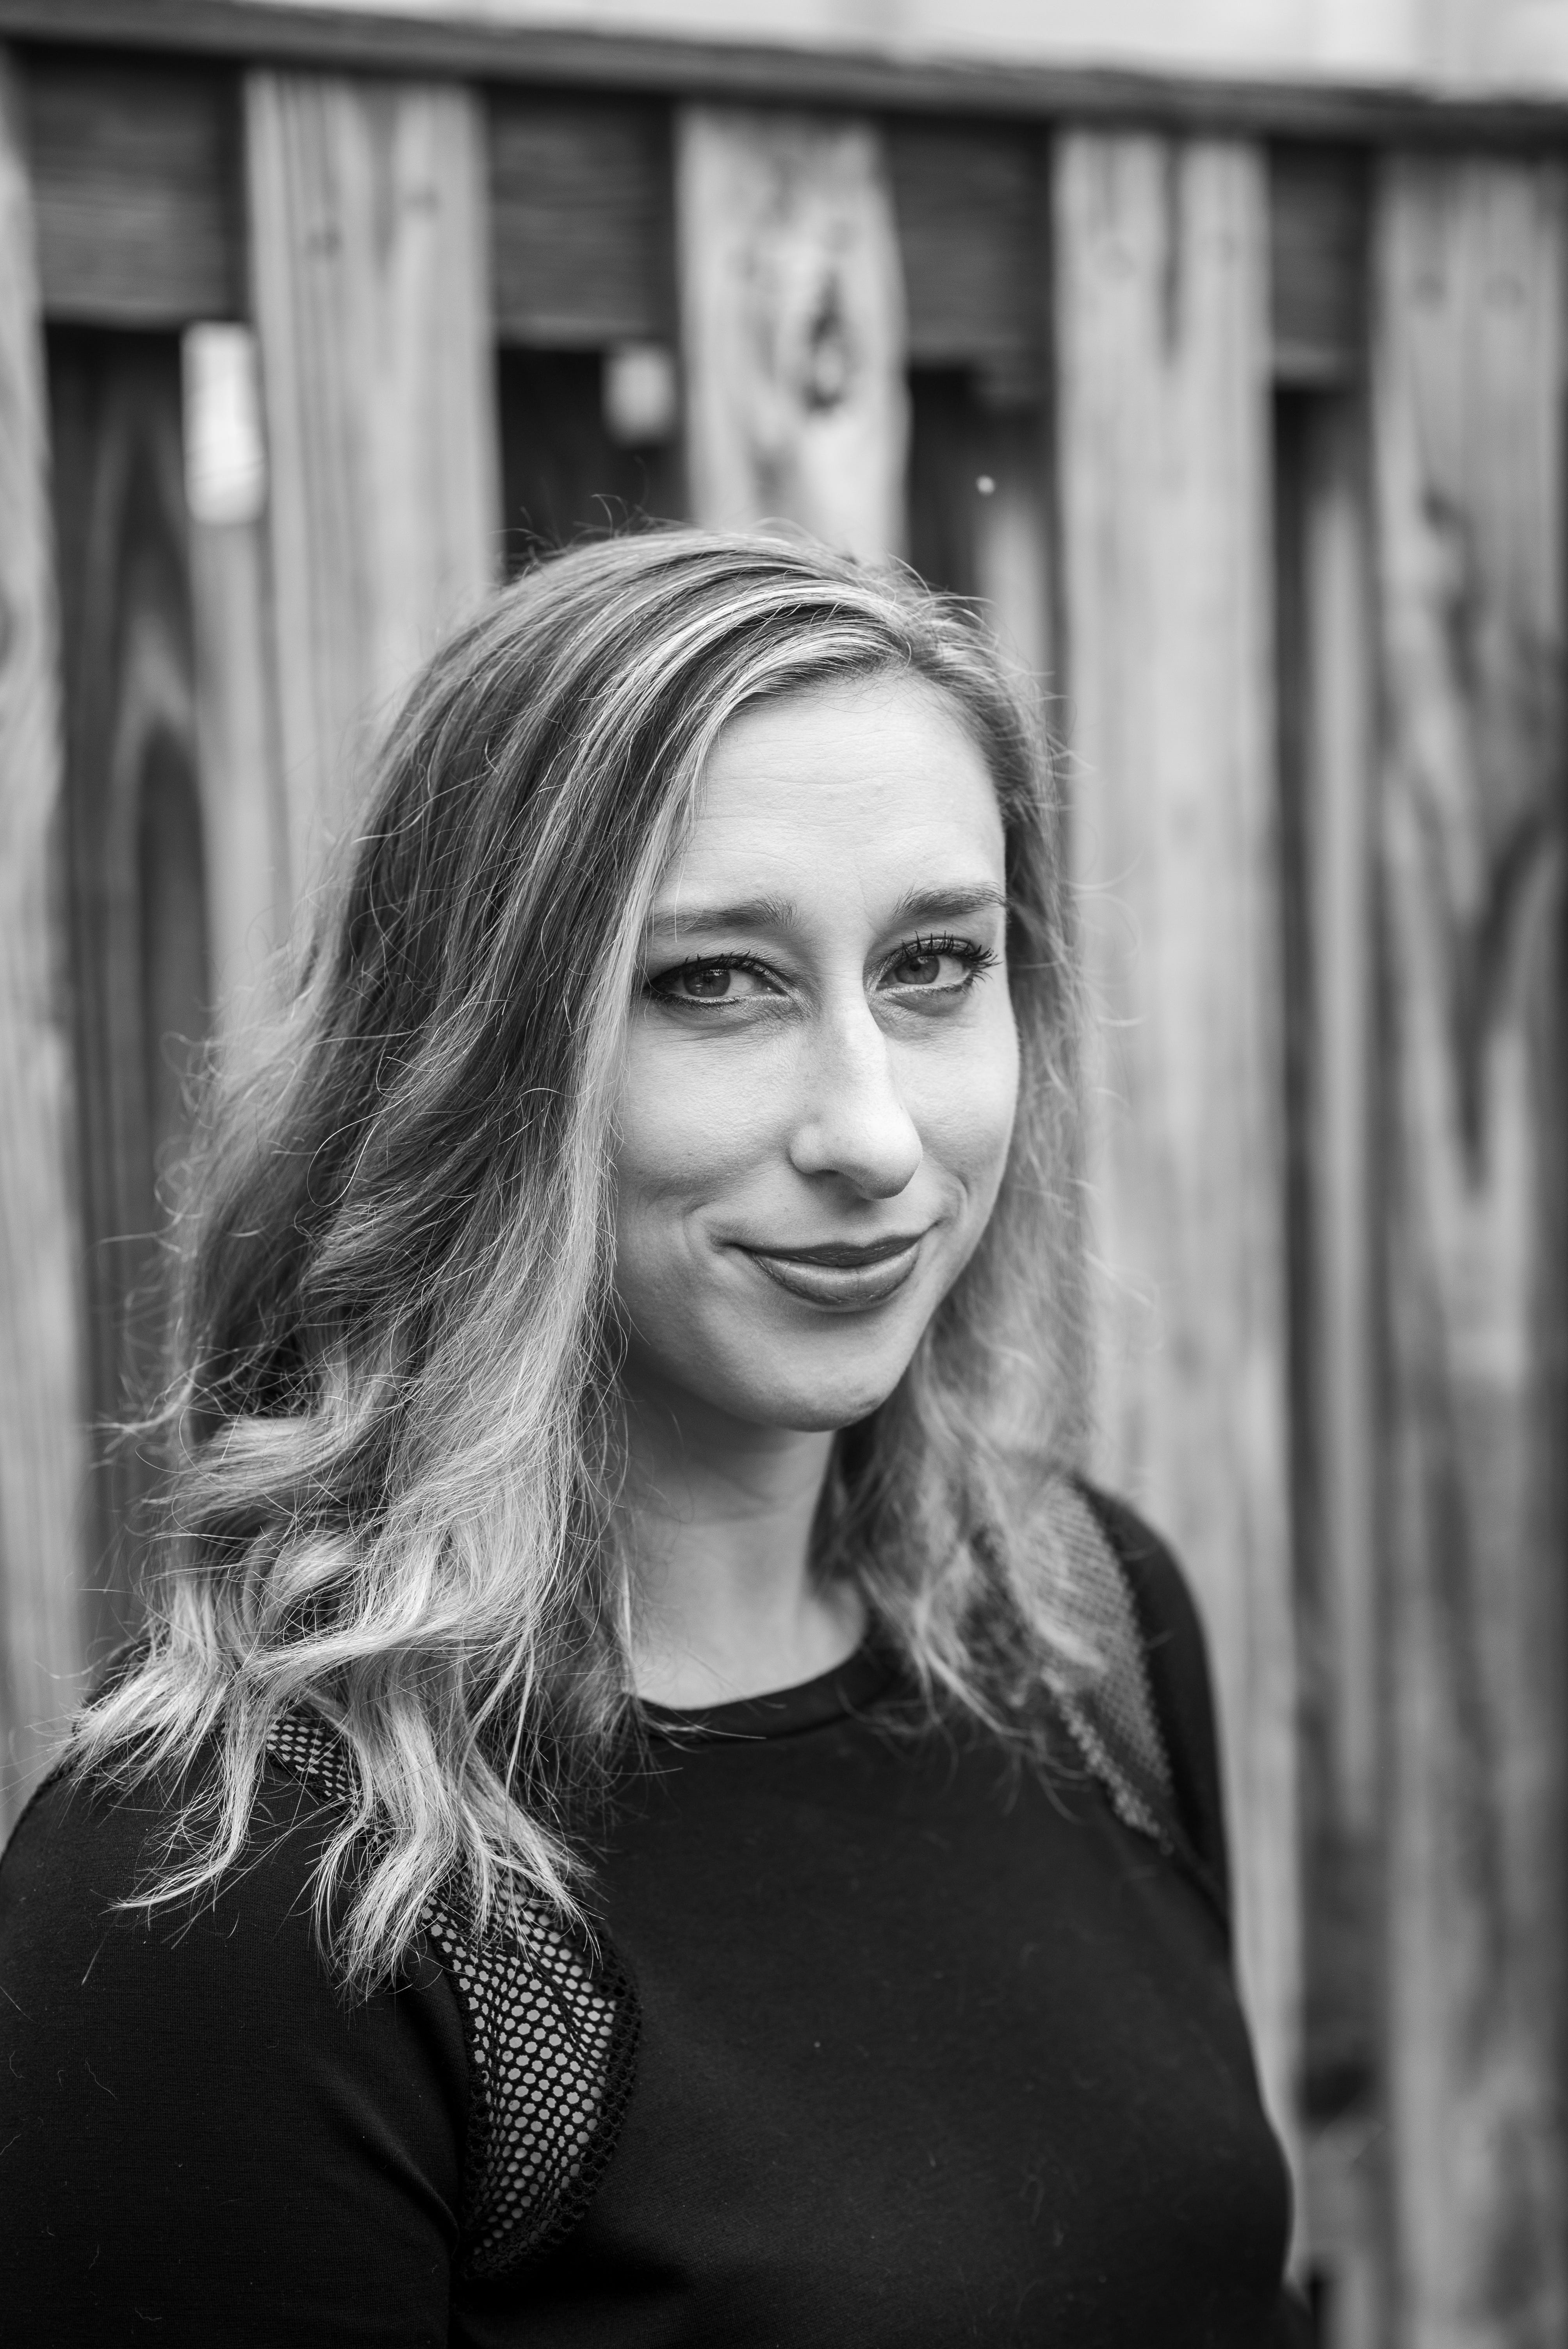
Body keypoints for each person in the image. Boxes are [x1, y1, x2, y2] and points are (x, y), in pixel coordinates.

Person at [0, 531, 1308, 2345]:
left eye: (935, 962)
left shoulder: (1079, 1626)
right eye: (715, 981)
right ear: (477, 1057)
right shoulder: (241, 1888)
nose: (870, 1132)